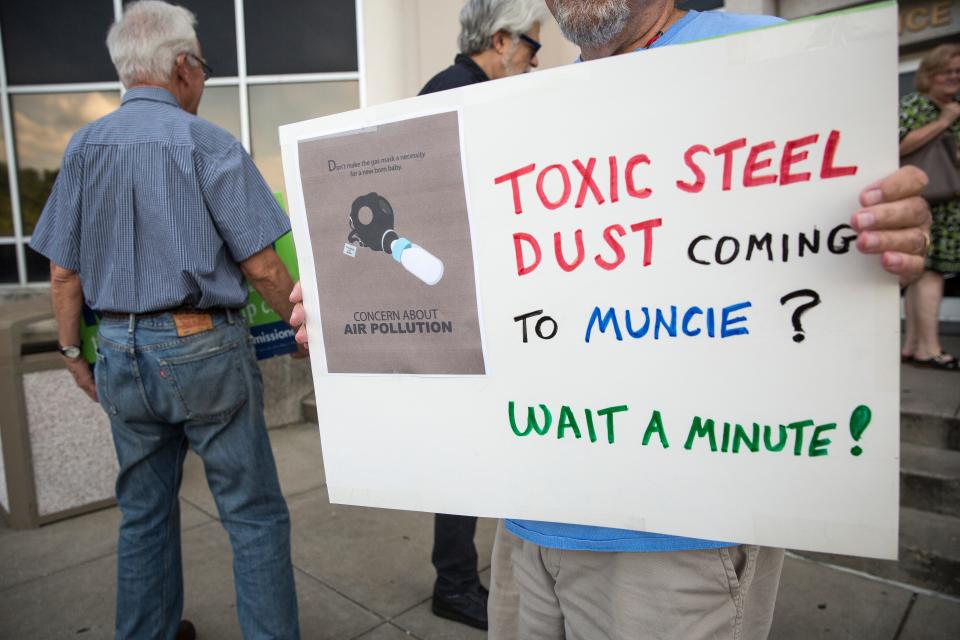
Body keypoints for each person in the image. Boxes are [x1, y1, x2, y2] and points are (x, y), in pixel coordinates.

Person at [289, 1, 931, 638]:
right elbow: (468, 287)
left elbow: (844, 238)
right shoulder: (530, 108)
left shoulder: (768, 55)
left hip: (674, 544)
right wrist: (347, 308)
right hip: (526, 519)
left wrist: (892, 237)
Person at [30, 2, 300, 638]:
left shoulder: (82, 147)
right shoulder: (205, 141)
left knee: (144, 513)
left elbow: (64, 274)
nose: (202, 79)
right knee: (253, 513)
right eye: (202, 66)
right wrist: (300, 322)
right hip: (201, 347)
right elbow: (262, 265)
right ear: (182, 67)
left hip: (118, 352)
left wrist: (72, 356)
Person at [416, 0, 549, 631]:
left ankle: (462, 577)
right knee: (466, 454)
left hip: (466, 302)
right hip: (466, 309)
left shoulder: (447, 92)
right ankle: (456, 582)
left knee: (472, 450)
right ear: (500, 40)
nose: (535, 59)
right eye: (531, 46)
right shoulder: (465, 98)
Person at [899, 44, 960, 371]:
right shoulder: (917, 106)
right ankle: (930, 349)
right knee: (929, 271)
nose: (953, 78)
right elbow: (897, 143)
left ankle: (913, 344)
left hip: (948, 203)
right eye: (947, 71)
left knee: (921, 273)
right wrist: (944, 122)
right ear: (930, 74)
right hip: (926, 198)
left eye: (958, 72)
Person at [420, 0, 548, 97]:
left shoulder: (454, 86)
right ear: (500, 41)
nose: (535, 62)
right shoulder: (464, 94)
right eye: (533, 49)